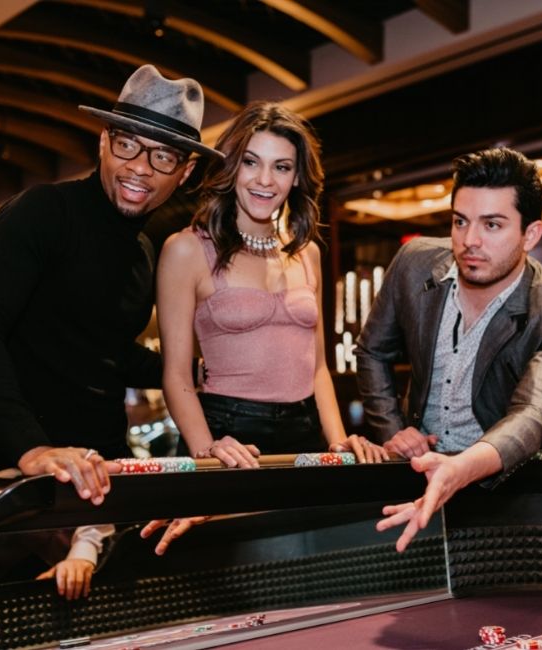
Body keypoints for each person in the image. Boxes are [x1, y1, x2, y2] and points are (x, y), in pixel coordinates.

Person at [0, 64, 219, 597]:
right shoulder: (44, 213)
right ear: (104, 142)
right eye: (127, 145)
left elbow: (101, 350)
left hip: (92, 489)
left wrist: (202, 369)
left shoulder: (144, 255)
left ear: (184, 172)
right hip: (15, 484)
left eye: (162, 155)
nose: (139, 167)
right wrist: (30, 449)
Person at [142, 102, 388, 555]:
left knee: (315, 574)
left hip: (304, 434)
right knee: (249, 573)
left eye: (281, 167)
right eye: (251, 162)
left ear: (296, 178)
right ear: (232, 167)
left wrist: (336, 443)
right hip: (228, 434)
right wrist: (207, 452)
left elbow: (317, 368)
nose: (264, 180)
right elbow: (176, 376)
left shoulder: (307, 252)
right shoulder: (186, 250)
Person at [356, 146, 542, 551]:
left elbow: (533, 416)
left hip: (525, 495)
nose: (470, 241)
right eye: (460, 221)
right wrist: (396, 432)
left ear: (531, 234)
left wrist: (459, 468)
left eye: (492, 225)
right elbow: (372, 352)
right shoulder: (413, 264)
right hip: (426, 483)